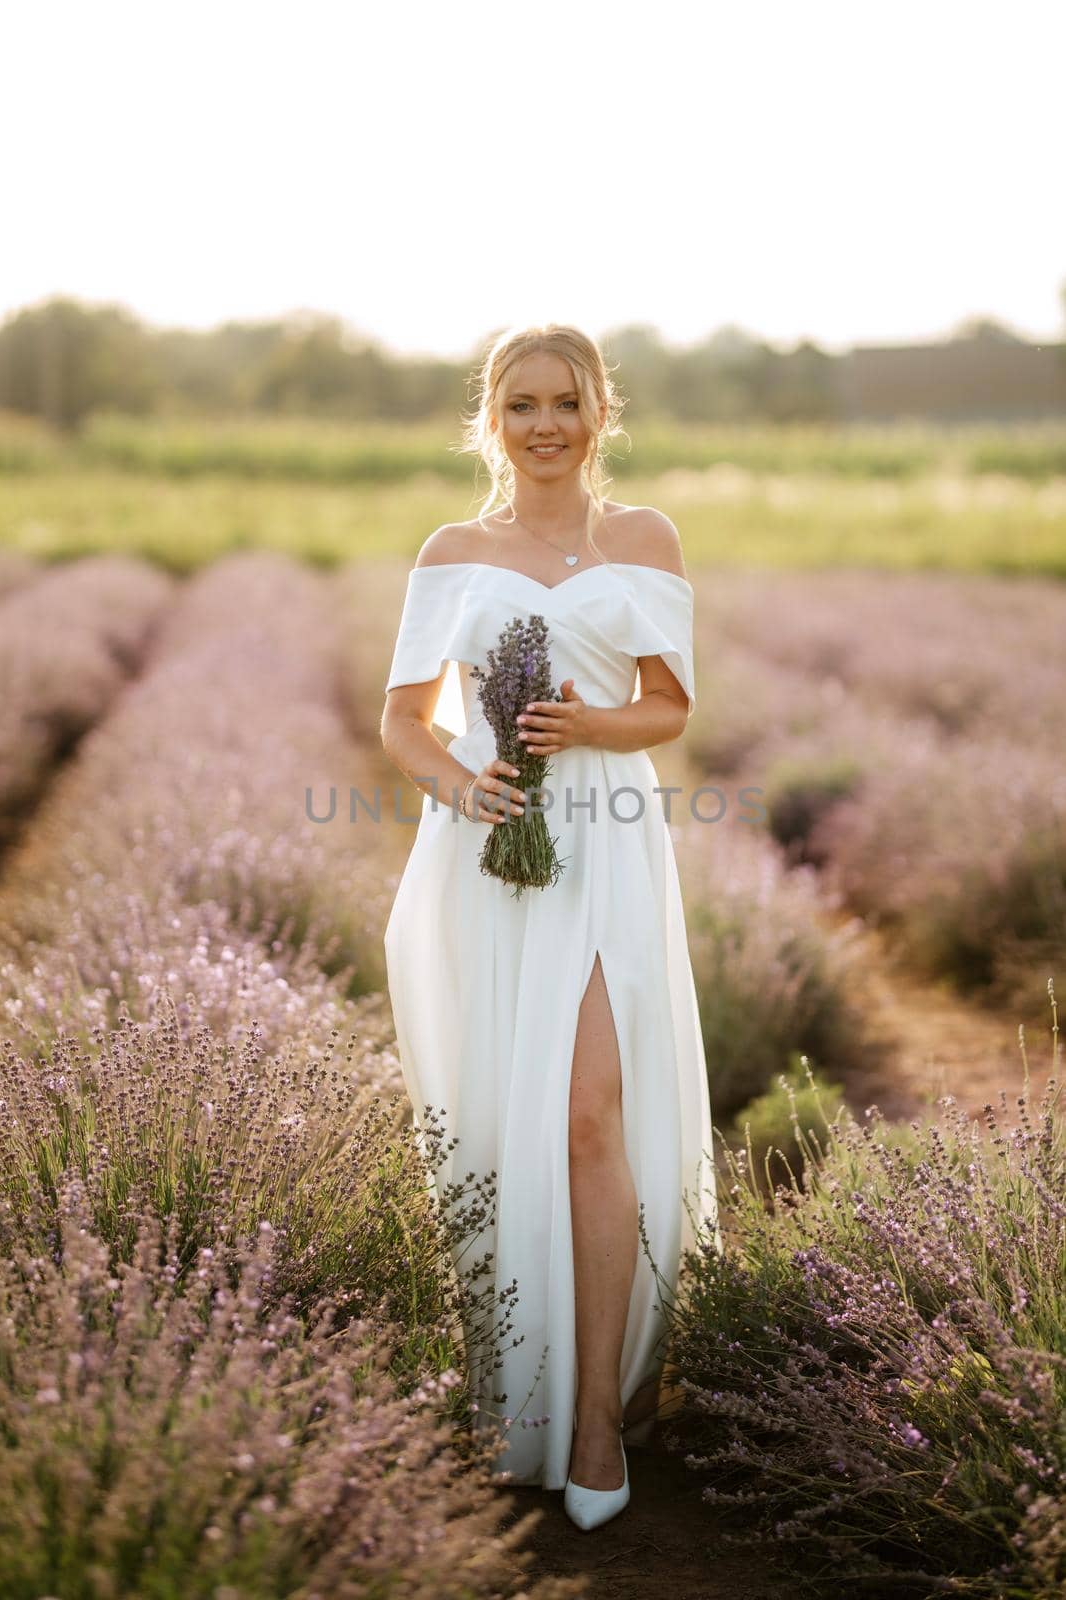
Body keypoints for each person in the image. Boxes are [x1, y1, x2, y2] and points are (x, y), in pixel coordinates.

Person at [380, 323, 721, 1530]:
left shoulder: (644, 541)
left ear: (599, 413)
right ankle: (514, 1384)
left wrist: (588, 727)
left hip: (608, 845)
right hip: (489, 850)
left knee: (588, 1114)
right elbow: (408, 724)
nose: (543, 424)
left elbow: (669, 708)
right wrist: (464, 788)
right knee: (499, 1119)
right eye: (521, 403)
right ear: (492, 418)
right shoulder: (453, 552)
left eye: (565, 402)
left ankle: (593, 1422)